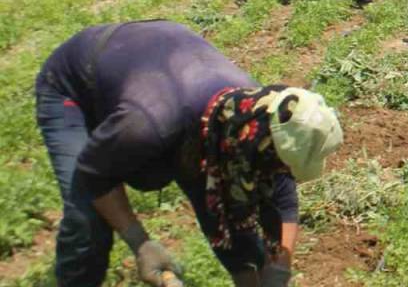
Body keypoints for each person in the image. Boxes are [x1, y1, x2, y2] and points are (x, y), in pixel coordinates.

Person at [35, 20, 343, 287]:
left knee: (218, 193)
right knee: (87, 220)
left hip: (153, 71)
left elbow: (280, 199)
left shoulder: (256, 119)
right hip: (76, 85)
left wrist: (277, 270)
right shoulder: (149, 124)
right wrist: (140, 243)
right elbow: (93, 173)